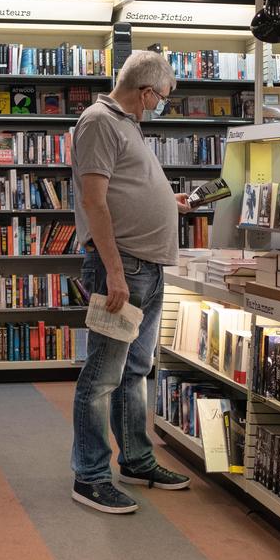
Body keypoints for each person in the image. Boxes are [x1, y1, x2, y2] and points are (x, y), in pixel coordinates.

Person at [70, 51, 191, 514]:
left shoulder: (126, 123)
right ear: (145, 92)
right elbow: (95, 202)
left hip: (148, 268)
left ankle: (137, 460)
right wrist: (114, 271)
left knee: (135, 372)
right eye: (161, 98)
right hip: (123, 270)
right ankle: (90, 476)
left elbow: (125, 189)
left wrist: (167, 200)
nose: (160, 105)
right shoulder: (99, 121)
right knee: (102, 376)